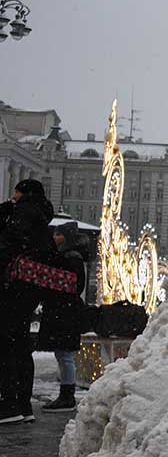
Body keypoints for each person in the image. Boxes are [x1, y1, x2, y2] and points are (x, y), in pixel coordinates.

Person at [0, 179, 56, 425]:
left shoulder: (24, 211)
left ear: (25, 193)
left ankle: (9, 404)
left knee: (7, 342)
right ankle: (23, 405)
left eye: (16, 193)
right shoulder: (40, 215)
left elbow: (11, 242)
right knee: (20, 343)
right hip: (32, 286)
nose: (14, 197)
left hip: (17, 283)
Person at [39, 221, 91, 414]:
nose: (55, 237)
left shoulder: (71, 258)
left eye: (59, 234)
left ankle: (67, 395)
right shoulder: (66, 256)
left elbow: (74, 285)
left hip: (65, 311)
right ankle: (65, 394)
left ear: (66, 237)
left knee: (65, 354)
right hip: (63, 310)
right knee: (62, 353)